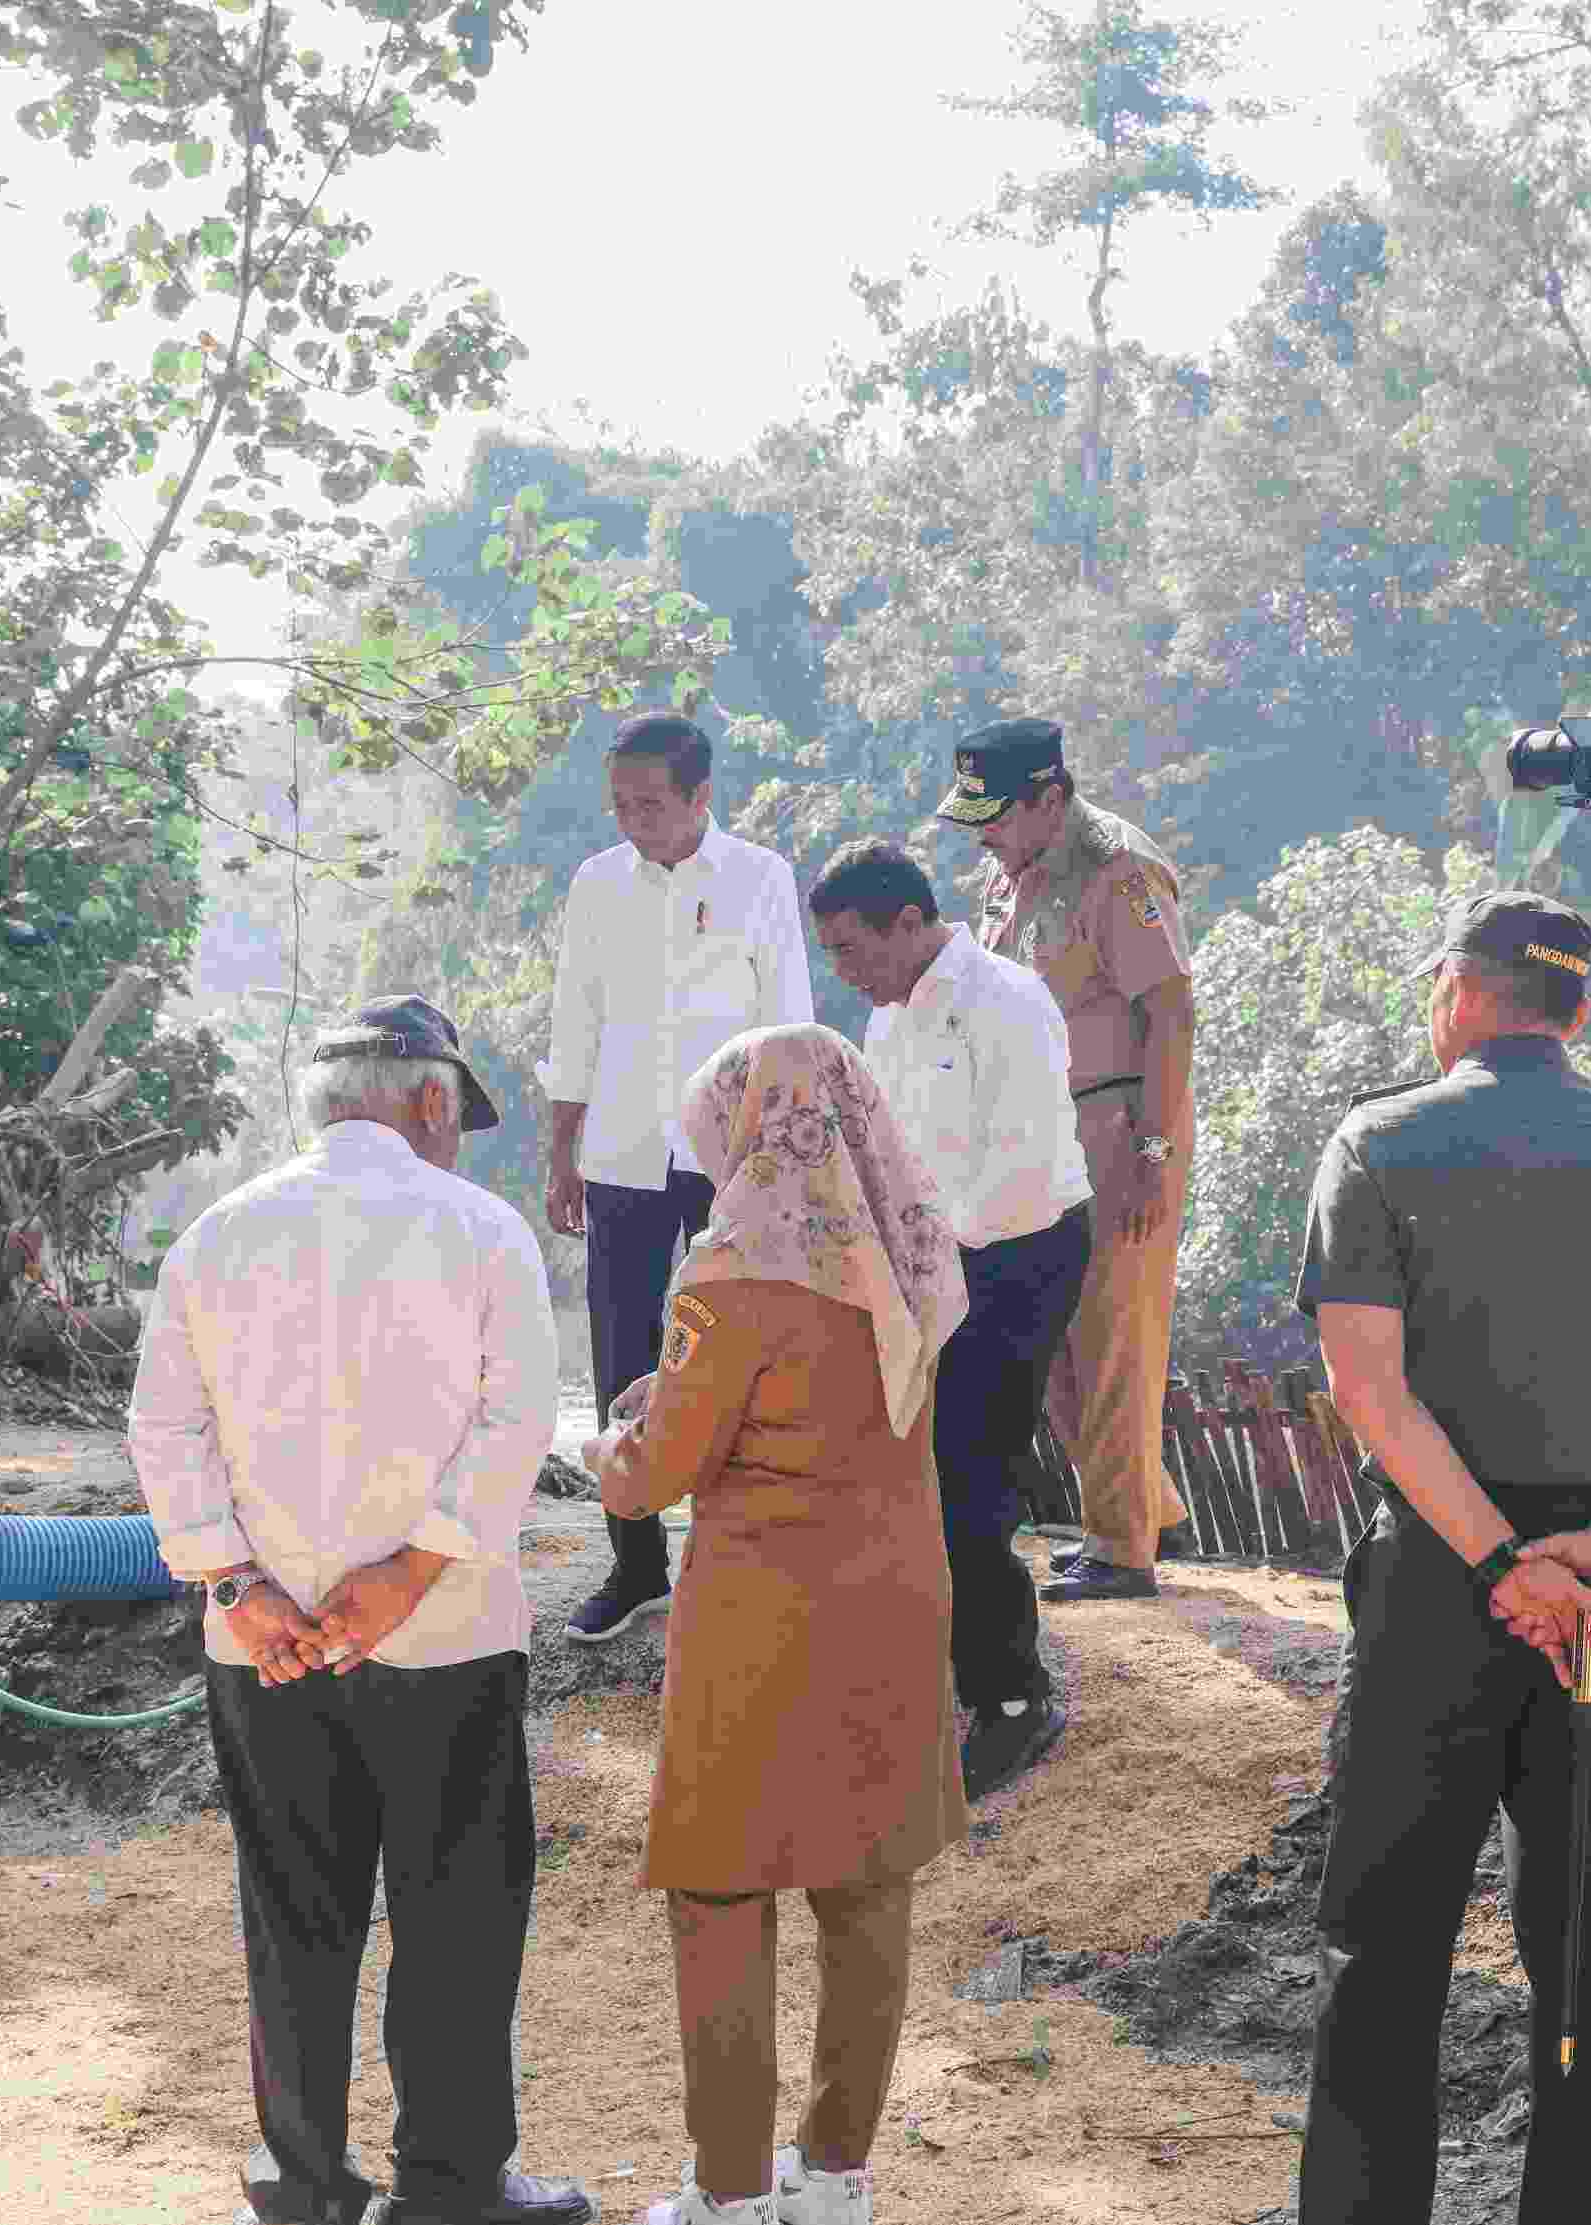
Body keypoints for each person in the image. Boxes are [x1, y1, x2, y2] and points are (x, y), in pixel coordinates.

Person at [1294, 893, 1591, 2225]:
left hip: (1442, 1593)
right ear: (1580, 1011)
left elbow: (1368, 1391)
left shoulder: (1377, 1143)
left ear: (1458, 991)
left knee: (1383, 1941)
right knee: (1586, 1949)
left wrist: (1505, 1561)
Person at [130, 995, 593, 2225]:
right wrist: (406, 1573)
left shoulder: (216, 1236)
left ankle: (299, 2183)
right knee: (454, 1912)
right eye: (458, 1118)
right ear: (431, 1100)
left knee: (291, 1909)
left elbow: (163, 1427)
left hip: (264, 1645)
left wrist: (240, 1582)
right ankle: (448, 2186)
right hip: (442, 1637)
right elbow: (515, 1423)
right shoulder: (484, 1231)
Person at [581, 1025, 971, 2225]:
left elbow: (655, 1476)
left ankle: (732, 2193)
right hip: (899, 1598)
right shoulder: (910, 1251)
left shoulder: (732, 1270)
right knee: (865, 1884)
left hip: (762, 1612)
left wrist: (609, 1439)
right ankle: (835, 2178)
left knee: (720, 1889)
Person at [807, 839, 1093, 1801]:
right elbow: (882, 1154)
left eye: (853, 948)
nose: (844, 971)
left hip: (1019, 1254)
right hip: (932, 1258)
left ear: (910, 922)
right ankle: (936, 1673)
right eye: (833, 954)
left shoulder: (1005, 1001)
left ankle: (1015, 1698)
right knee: (905, 1465)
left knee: (970, 1472)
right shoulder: (887, 1016)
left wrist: (921, 1268)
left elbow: (1014, 1173)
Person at [540, 713, 816, 1645]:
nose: (632, 820)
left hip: (731, 1156)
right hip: (619, 1151)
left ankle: (731, 1553)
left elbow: (790, 1027)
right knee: (622, 1350)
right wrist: (560, 1152)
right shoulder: (596, 884)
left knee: (733, 1348)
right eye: (619, 803)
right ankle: (634, 1565)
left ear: (702, 796)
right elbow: (574, 1021)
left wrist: (783, 1169)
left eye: (650, 803)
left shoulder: (760, 878)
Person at [946, 718, 1199, 1601]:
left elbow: (1170, 1013)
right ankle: (1142, 1507)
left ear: (1050, 798)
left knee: (1114, 1335)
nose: (983, 835)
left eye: (997, 815)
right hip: (1036, 1129)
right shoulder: (1010, 869)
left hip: (1118, 1121)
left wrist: (1154, 1152)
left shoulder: (1119, 869)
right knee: (1048, 1333)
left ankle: (1122, 1551)